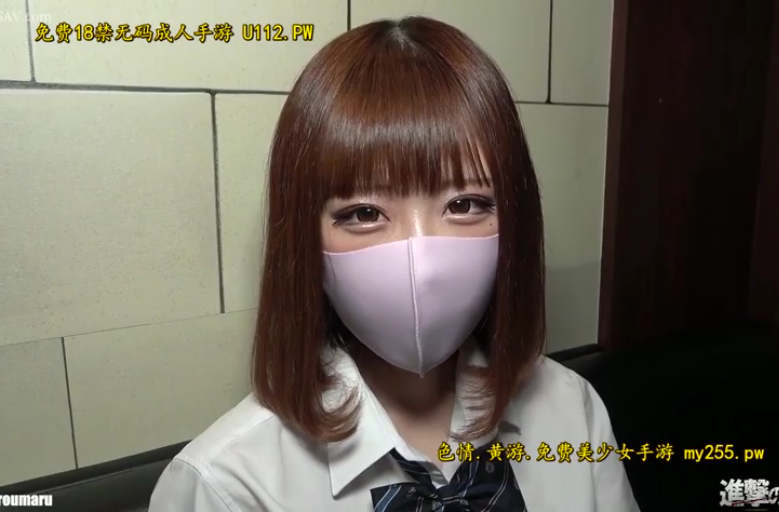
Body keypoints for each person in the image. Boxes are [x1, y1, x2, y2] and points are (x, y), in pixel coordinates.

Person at [149, 16, 639, 512]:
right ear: (301, 240)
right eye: (364, 213)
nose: (419, 264)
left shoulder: (570, 410)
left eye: (464, 204)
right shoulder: (225, 486)